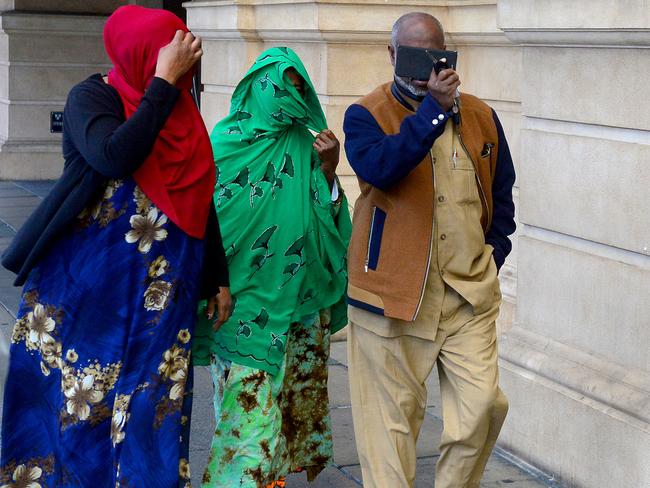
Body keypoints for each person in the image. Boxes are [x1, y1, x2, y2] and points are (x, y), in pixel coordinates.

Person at [0, 6, 231, 486]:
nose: (179, 66)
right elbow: (115, 155)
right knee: (84, 401)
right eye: (168, 55)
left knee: (153, 402)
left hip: (163, 293)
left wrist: (217, 277)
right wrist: (163, 85)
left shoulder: (181, 117)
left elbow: (198, 197)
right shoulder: (92, 97)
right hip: (90, 290)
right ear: (143, 55)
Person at [343, 12, 516, 488]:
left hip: (467, 296)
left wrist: (492, 253)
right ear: (392, 54)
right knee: (388, 433)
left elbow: (501, 195)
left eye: (434, 55)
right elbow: (382, 168)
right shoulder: (365, 114)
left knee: (483, 407)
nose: (424, 69)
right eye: (412, 56)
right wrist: (432, 112)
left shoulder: (482, 115)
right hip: (389, 298)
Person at [192, 47, 351, 487]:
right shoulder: (223, 144)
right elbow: (200, 219)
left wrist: (328, 170)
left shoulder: (307, 146)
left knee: (276, 412)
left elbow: (329, 220)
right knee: (249, 413)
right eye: (282, 88)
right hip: (236, 305)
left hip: (296, 305)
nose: (290, 98)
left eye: (299, 88)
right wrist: (210, 281)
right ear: (257, 89)